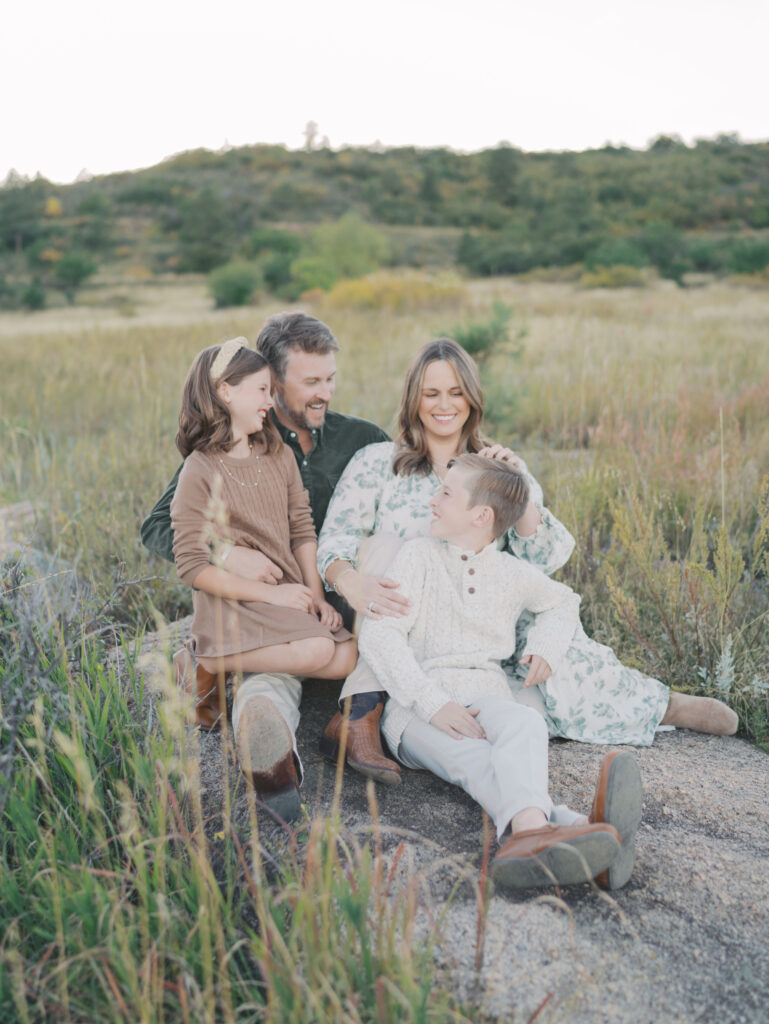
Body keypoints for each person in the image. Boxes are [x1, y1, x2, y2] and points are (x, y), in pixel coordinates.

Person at [317, 338, 737, 779]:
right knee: (388, 549)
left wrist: (523, 493)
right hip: (402, 615)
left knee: (555, 642)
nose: (445, 405)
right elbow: (336, 540)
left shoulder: (496, 468)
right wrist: (347, 580)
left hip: (480, 620)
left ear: (473, 398)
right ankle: (360, 711)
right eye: (431, 393)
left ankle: (657, 704)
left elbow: (546, 557)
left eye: (456, 392)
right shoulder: (378, 463)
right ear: (413, 400)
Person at [358, 454, 643, 891]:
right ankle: (569, 828)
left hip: (487, 697)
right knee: (475, 760)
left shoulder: (511, 574)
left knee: (525, 722)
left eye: (446, 493)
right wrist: (433, 704)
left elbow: (563, 601)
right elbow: (379, 637)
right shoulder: (417, 557)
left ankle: (555, 836)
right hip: (417, 714)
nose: (433, 501)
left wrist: (545, 646)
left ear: (481, 515)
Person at [141, 312, 400, 779]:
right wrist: (227, 553)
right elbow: (161, 525)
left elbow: (414, 491)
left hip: (335, 596)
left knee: (366, 643)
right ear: (273, 383)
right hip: (266, 601)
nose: (326, 392)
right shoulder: (233, 442)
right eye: (312, 382)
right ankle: (264, 741)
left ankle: (356, 720)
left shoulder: (363, 439)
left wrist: (482, 457)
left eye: (330, 379)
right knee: (273, 678)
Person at [170, 336, 356, 820]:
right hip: (238, 602)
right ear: (225, 393)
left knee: (349, 652)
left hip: (288, 594)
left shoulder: (278, 455)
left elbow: (301, 528)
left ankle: (209, 666)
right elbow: (191, 563)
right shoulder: (199, 468)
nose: (270, 402)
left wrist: (315, 597)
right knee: (320, 652)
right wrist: (268, 594)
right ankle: (209, 655)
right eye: (260, 390)